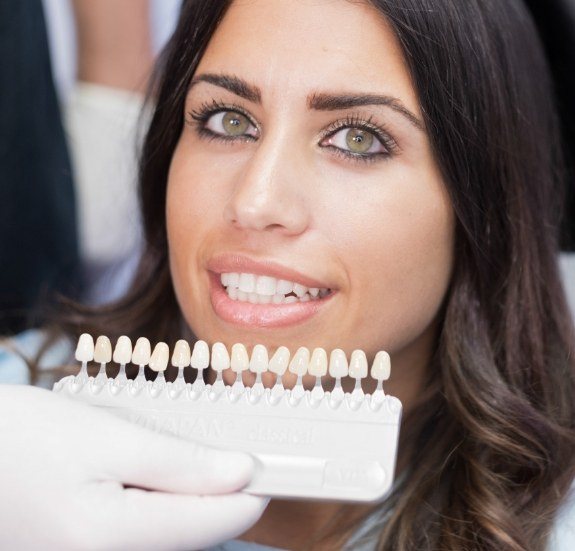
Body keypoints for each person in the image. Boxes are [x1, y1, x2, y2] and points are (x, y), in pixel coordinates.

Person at [1, 0, 575, 549]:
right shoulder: (22, 418)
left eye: (358, 139)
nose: (255, 201)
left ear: (483, 203)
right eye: (228, 121)